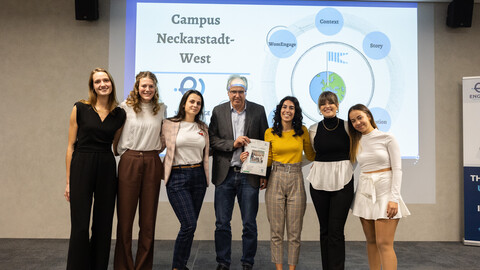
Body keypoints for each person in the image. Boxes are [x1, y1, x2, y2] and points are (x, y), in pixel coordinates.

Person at [64, 68, 126, 270]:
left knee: (103, 224)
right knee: (80, 226)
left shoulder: (119, 114)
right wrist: (68, 182)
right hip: (82, 163)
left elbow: (116, 146)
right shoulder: (80, 108)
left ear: (111, 83)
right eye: (98, 81)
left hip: (106, 166)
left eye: (106, 80)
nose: (102, 84)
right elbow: (70, 146)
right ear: (93, 86)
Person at [209, 75, 269, 270]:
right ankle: (223, 262)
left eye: (240, 92)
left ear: (245, 93)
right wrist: (232, 144)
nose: (237, 95)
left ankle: (247, 262)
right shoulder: (218, 112)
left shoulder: (258, 111)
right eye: (233, 91)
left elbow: (265, 143)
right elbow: (212, 140)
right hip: (225, 175)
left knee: (249, 224)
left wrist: (264, 174)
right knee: (222, 224)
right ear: (228, 93)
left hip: (249, 175)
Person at [113, 71, 166, 270]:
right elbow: (116, 138)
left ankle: (143, 267)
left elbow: (163, 137)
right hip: (130, 160)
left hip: (152, 161)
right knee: (125, 221)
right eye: (143, 86)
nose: (147, 89)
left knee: (148, 221)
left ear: (155, 88)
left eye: (151, 86)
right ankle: (123, 266)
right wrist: (125, 153)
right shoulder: (124, 108)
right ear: (137, 87)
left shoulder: (161, 109)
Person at [348, 104, 410, 270]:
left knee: (384, 243)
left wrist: (394, 199)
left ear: (368, 116)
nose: (357, 123)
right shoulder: (355, 142)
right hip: (364, 192)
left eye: (359, 117)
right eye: (353, 121)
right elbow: (349, 167)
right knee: (371, 242)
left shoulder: (387, 137)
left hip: (385, 192)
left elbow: (397, 169)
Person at [260, 96, 315, 270]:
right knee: (276, 231)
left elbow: (311, 155)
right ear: (279, 110)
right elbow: (267, 159)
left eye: (291, 108)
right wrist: (250, 159)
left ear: (295, 112)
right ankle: (279, 268)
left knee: (294, 232)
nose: (287, 110)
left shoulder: (302, 131)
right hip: (275, 178)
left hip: (296, 180)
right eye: (284, 107)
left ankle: (292, 268)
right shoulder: (270, 132)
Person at [161, 90, 209, 270]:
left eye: (198, 103)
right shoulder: (169, 124)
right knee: (188, 224)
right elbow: (157, 145)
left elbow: (206, 151)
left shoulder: (203, 128)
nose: (195, 105)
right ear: (184, 104)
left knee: (191, 226)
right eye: (192, 102)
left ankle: (182, 265)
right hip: (177, 177)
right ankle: (177, 267)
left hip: (198, 177)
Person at [306, 91, 354, 270]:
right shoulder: (313, 129)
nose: (327, 106)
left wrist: (347, 169)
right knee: (325, 230)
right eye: (323, 103)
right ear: (319, 108)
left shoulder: (349, 127)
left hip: (343, 179)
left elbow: (356, 154)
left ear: (337, 105)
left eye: (331, 103)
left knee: (336, 230)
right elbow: (310, 154)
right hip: (318, 181)